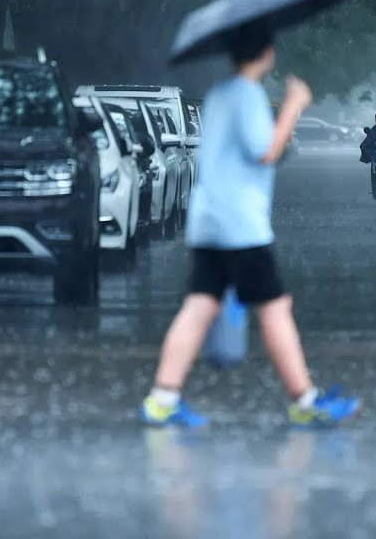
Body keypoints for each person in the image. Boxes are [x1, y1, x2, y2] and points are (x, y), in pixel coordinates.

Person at [138, 23, 361, 429]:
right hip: (239, 225)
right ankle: (304, 400)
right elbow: (267, 152)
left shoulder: (221, 94)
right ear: (267, 54)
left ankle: (162, 398)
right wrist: (294, 104)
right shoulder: (246, 95)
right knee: (275, 308)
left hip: (209, 222)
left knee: (199, 306)